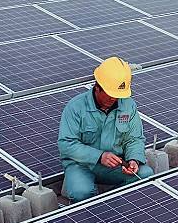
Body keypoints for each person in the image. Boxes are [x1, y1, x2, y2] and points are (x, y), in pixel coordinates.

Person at [57, 57, 153, 202]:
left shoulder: (128, 105)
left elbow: (134, 139)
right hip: (81, 164)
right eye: (110, 95)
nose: (114, 99)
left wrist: (134, 159)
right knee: (81, 192)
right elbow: (66, 144)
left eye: (117, 95)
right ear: (97, 87)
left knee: (145, 174)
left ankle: (111, 205)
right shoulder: (75, 107)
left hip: (115, 164)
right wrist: (99, 156)